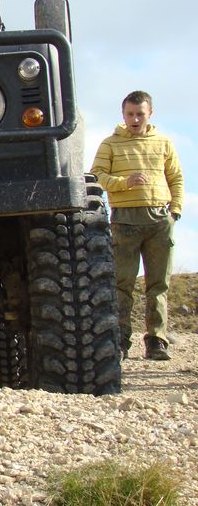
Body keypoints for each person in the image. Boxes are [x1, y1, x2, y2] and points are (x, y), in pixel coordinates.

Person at [90, 90, 183, 360]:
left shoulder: (163, 142)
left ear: (150, 114)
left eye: (140, 114)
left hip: (159, 221)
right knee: (122, 284)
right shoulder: (110, 144)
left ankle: (156, 341)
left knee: (159, 284)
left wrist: (175, 211)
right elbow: (96, 176)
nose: (135, 119)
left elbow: (176, 177)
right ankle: (120, 341)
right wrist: (124, 183)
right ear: (123, 114)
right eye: (130, 114)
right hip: (124, 221)